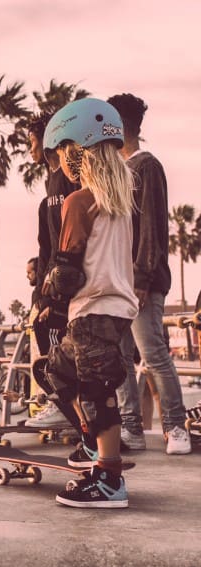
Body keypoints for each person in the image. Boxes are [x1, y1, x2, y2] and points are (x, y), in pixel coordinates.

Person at [39, 97, 138, 507]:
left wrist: (50, 300)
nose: (61, 161)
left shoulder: (78, 201)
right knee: (56, 372)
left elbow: (68, 270)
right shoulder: (119, 201)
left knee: (97, 391)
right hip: (111, 311)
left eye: (62, 151)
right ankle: (92, 444)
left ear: (76, 150)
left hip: (92, 310)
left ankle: (109, 478)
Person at [108, 93, 190, 454]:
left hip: (142, 283)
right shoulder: (120, 170)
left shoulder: (147, 166)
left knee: (152, 352)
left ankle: (176, 427)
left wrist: (141, 278)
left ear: (120, 126)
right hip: (118, 282)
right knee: (121, 357)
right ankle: (132, 430)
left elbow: (154, 229)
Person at [25, 110, 80, 429]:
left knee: (56, 345)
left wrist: (57, 297)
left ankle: (65, 409)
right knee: (44, 337)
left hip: (68, 284)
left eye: (31, 141)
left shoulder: (69, 180)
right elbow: (47, 247)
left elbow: (71, 241)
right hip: (52, 284)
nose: (29, 149)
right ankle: (64, 409)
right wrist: (39, 294)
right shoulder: (48, 191)